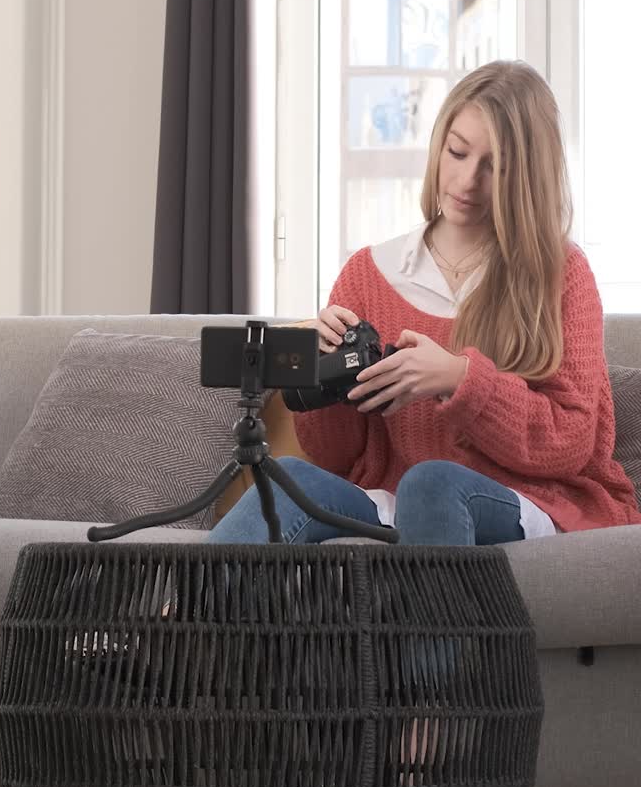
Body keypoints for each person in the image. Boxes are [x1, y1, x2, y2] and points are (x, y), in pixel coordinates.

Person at [209, 60, 641, 547]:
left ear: (526, 176)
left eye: (493, 167)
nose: (465, 181)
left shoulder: (561, 274)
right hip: (397, 500)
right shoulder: (368, 274)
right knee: (289, 481)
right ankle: (174, 618)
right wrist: (324, 374)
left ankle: (434, 624)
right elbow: (333, 457)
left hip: (532, 503)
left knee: (433, 482)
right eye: (456, 152)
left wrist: (461, 380)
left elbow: (572, 444)